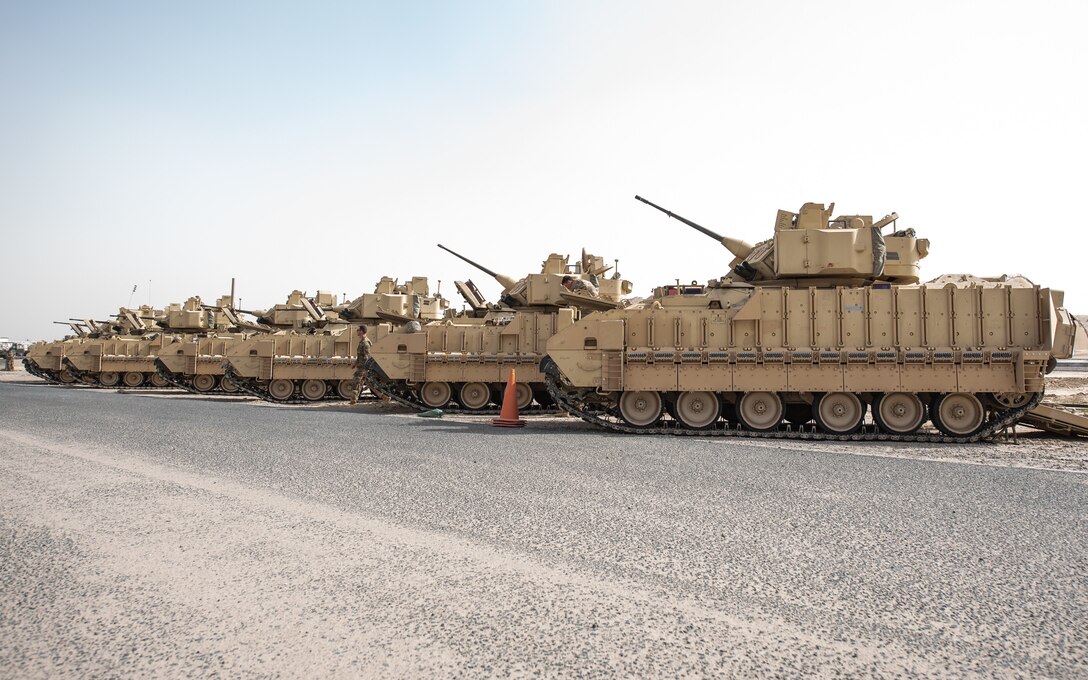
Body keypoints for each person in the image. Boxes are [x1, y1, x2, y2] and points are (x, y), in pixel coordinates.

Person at [350, 325, 372, 404]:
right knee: (360, 383)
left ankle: (353, 400)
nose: (357, 331)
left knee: (356, 382)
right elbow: (360, 356)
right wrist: (355, 363)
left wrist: (366, 369)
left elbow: (367, 358)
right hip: (361, 366)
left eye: (358, 330)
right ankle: (354, 400)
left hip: (363, 367)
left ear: (362, 331)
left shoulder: (365, 343)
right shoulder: (362, 342)